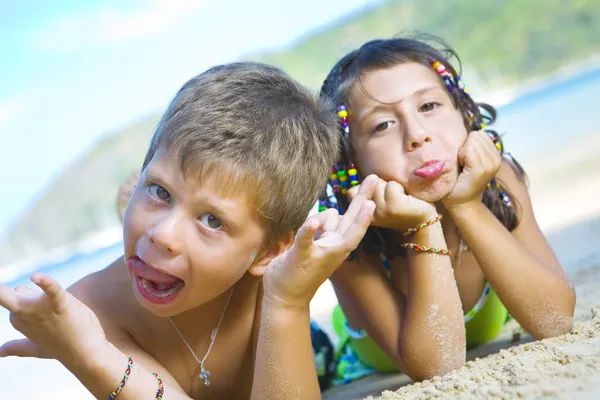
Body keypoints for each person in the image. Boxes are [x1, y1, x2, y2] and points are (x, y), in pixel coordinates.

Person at [0, 62, 377, 399]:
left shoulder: (282, 270)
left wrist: (288, 300)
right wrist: (86, 349)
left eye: (212, 220)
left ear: (267, 252)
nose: (163, 235)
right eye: (159, 191)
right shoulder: (88, 311)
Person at [316, 35, 576, 384]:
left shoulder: (499, 182)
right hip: (366, 359)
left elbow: (556, 319)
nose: (417, 135)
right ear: (351, 161)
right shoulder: (348, 237)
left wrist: (466, 205)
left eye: (428, 107)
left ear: (464, 115)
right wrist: (422, 224)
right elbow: (435, 367)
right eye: (382, 125)